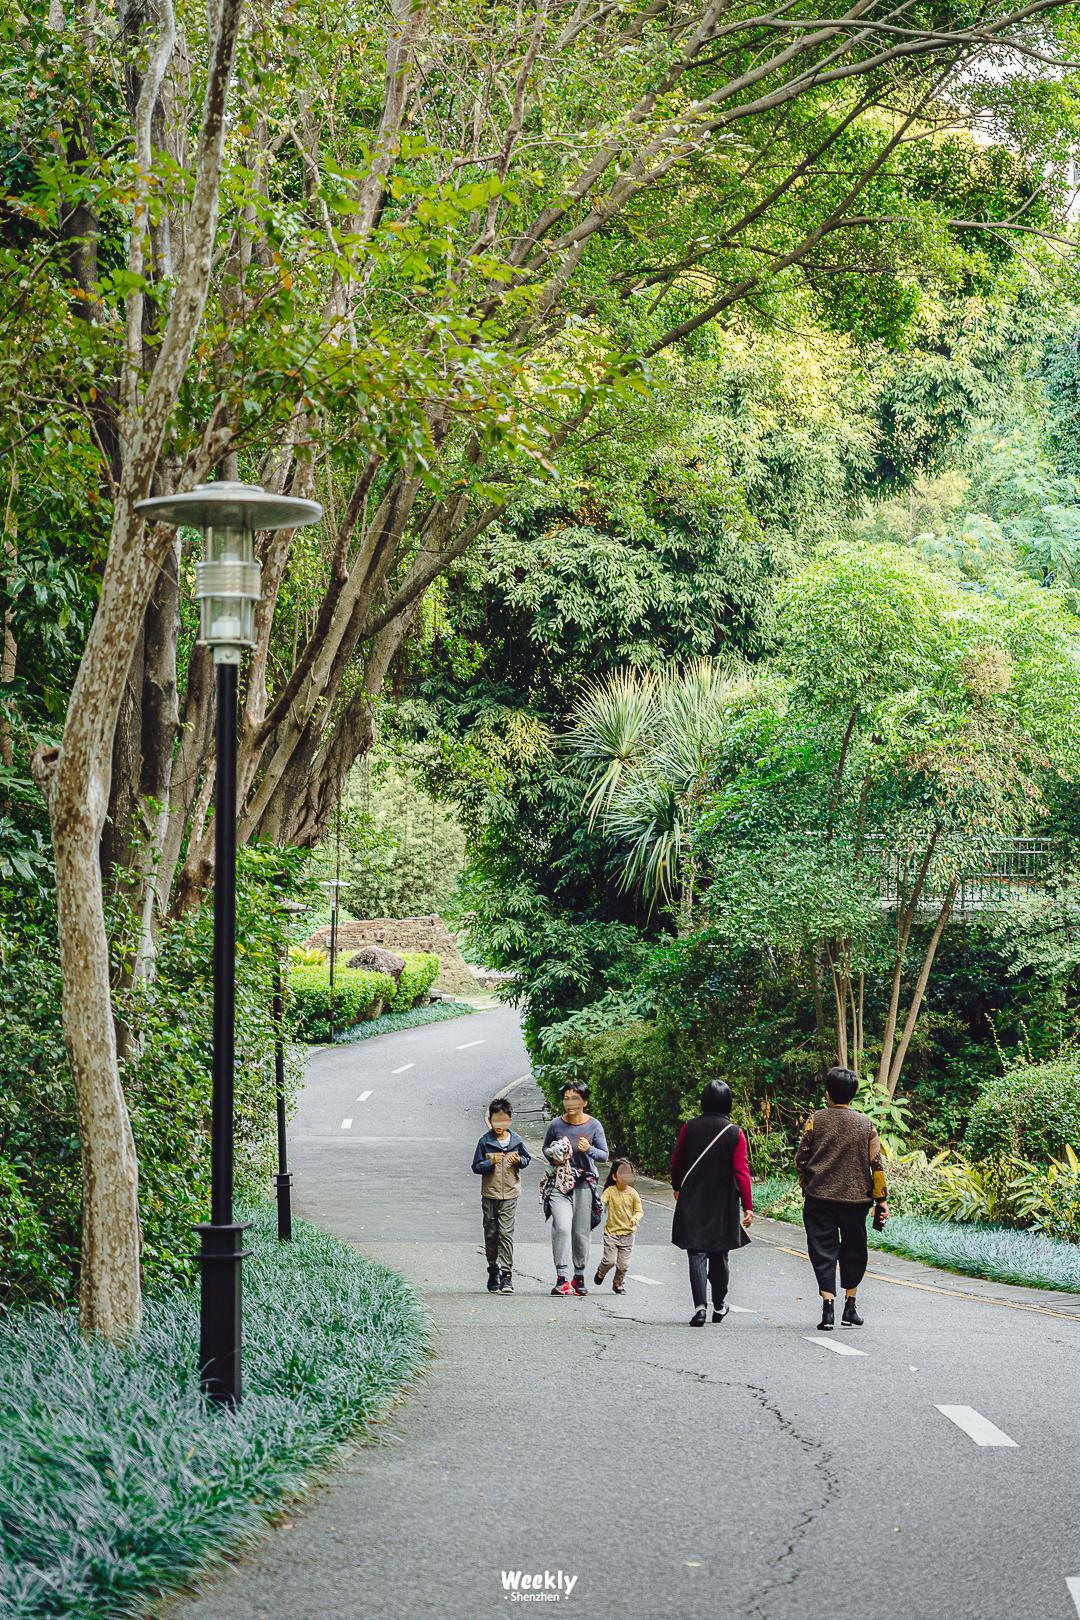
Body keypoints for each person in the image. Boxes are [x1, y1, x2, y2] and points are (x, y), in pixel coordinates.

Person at [794, 1065, 889, 1330]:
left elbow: (801, 1159)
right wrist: (881, 1200)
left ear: (828, 1094)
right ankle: (851, 1306)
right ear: (854, 1094)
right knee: (854, 1250)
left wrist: (807, 1183)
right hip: (856, 1200)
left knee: (823, 1250)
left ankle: (828, 1310)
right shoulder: (866, 1124)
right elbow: (876, 1164)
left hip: (819, 1197)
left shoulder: (816, 1120)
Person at [671, 1080, 753, 1327]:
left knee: (696, 1252)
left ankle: (700, 1309)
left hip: (693, 1198)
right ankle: (719, 1304)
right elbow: (741, 1171)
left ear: (703, 1101)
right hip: (723, 1201)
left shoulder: (690, 1127)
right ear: (729, 1103)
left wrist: (677, 1186)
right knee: (720, 1254)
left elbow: (677, 1160)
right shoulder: (735, 1133)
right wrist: (748, 1205)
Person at [541, 1082, 608, 1296]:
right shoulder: (555, 1125)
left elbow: (604, 1155)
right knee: (561, 1226)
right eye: (567, 1098)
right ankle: (562, 1277)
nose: (570, 1103)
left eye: (575, 1099)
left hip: (584, 1184)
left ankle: (579, 1276)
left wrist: (589, 1149)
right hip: (559, 1183)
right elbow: (545, 1149)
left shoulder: (594, 1126)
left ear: (585, 1102)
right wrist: (554, 1152)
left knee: (580, 1232)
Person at [471, 1097, 531, 1293]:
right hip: (490, 1194)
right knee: (491, 1233)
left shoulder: (516, 1140)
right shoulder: (485, 1142)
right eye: (496, 1120)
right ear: (490, 1120)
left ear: (510, 1121)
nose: (499, 1124)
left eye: (503, 1120)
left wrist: (518, 1160)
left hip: (511, 1193)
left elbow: (526, 1159)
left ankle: (507, 1275)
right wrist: (490, 1163)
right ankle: (493, 1269)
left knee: (506, 1233)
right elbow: (476, 1166)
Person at [594, 1159, 643, 1294]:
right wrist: (598, 1207)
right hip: (612, 1234)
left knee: (623, 1266)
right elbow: (601, 1202)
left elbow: (639, 1210)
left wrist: (635, 1218)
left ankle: (618, 1284)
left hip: (628, 1235)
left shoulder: (633, 1193)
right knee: (609, 1261)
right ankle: (601, 1272)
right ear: (615, 1176)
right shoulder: (610, 1191)